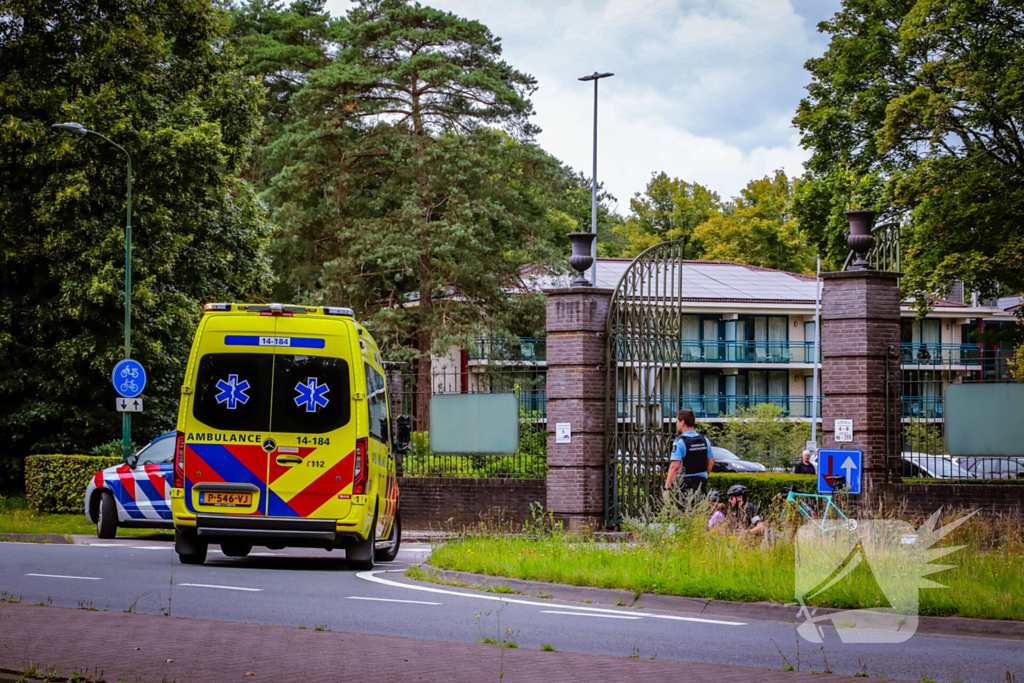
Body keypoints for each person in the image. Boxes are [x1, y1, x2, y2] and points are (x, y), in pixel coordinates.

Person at [663, 408, 715, 500]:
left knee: (683, 512)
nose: (677, 424)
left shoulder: (679, 443)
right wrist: (701, 477)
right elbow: (711, 463)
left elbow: (674, 467)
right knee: (700, 512)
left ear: (682, 422)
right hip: (702, 486)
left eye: (677, 421)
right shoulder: (705, 440)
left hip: (685, 487)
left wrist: (667, 488)